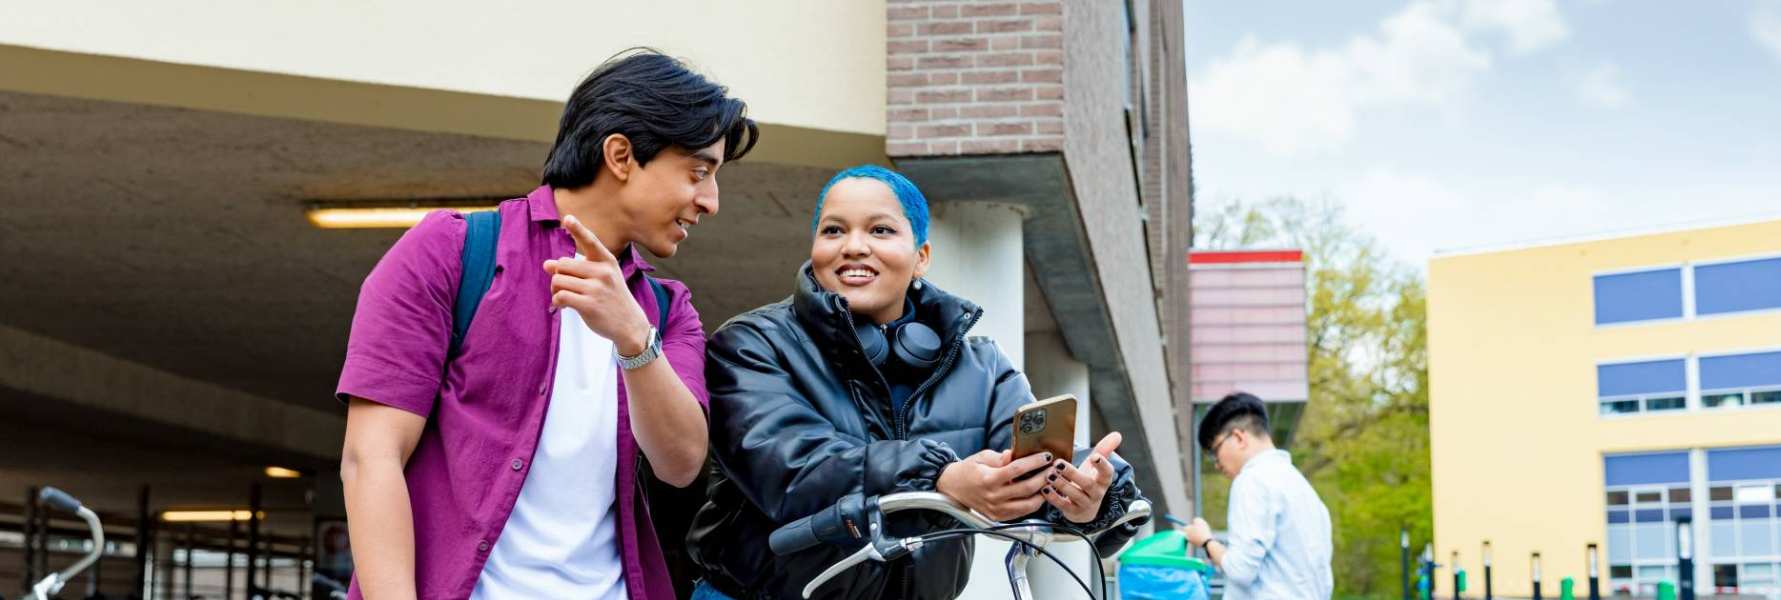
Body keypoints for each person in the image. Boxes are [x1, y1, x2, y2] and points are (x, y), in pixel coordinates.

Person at [335, 49, 757, 600]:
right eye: (699, 172)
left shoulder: (665, 309)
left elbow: (681, 465)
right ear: (622, 155)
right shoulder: (452, 253)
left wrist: (634, 340)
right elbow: (371, 458)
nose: (711, 201)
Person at [685, 165, 1147, 599]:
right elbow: (791, 465)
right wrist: (941, 477)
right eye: (833, 230)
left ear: (921, 256)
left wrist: (1084, 497)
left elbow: (1025, 464)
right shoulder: (751, 344)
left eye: (880, 229)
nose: (853, 246)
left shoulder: (982, 366)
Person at [1182, 392, 1335, 600]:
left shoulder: (1252, 480)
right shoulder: (1305, 492)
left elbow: (1240, 570)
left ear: (1238, 437)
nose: (1217, 465)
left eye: (1215, 452)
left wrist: (1207, 541)